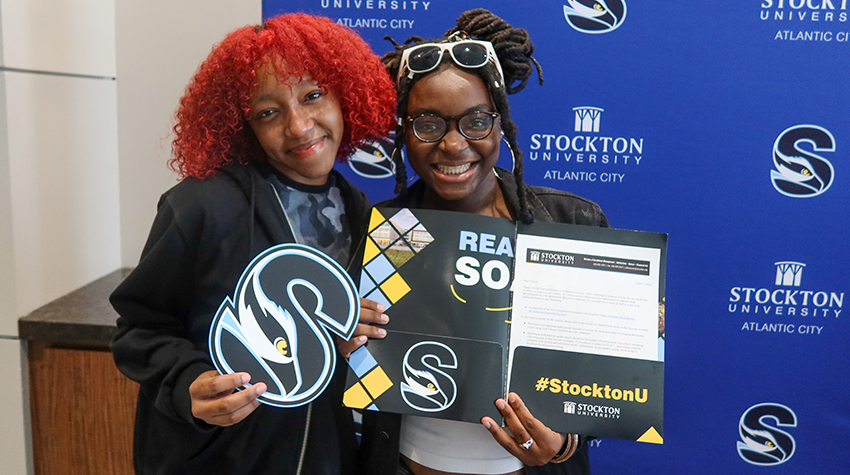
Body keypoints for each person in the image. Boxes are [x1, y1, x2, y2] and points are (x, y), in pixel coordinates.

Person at [109, 14, 396, 475]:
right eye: (268, 112)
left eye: (313, 95)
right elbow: (139, 328)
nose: (300, 126)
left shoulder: (360, 210)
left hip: (326, 457)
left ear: (346, 95)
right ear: (244, 126)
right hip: (220, 459)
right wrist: (190, 385)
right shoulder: (201, 207)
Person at [344, 8, 610, 475]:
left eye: (475, 121)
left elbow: (604, 387)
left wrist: (567, 440)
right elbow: (347, 374)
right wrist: (341, 339)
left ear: (500, 122)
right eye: (427, 124)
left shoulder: (572, 222)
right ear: (403, 132)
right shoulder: (387, 232)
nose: (452, 145)